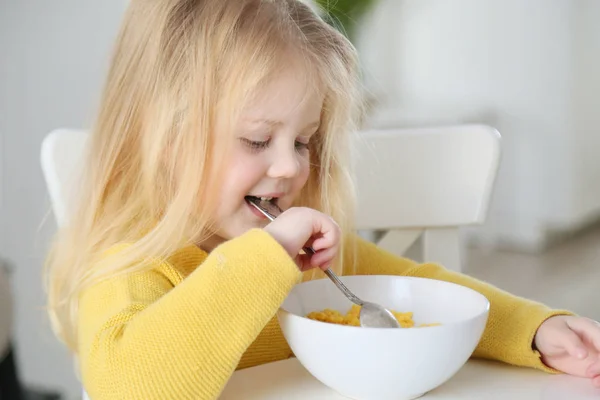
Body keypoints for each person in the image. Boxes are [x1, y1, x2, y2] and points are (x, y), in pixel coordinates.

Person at [44, 0, 600, 398]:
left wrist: (532, 328)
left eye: (303, 140)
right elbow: (129, 388)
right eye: (258, 139)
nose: (289, 166)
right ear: (166, 139)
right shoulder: (130, 263)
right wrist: (263, 262)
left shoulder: (305, 257)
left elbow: (425, 288)